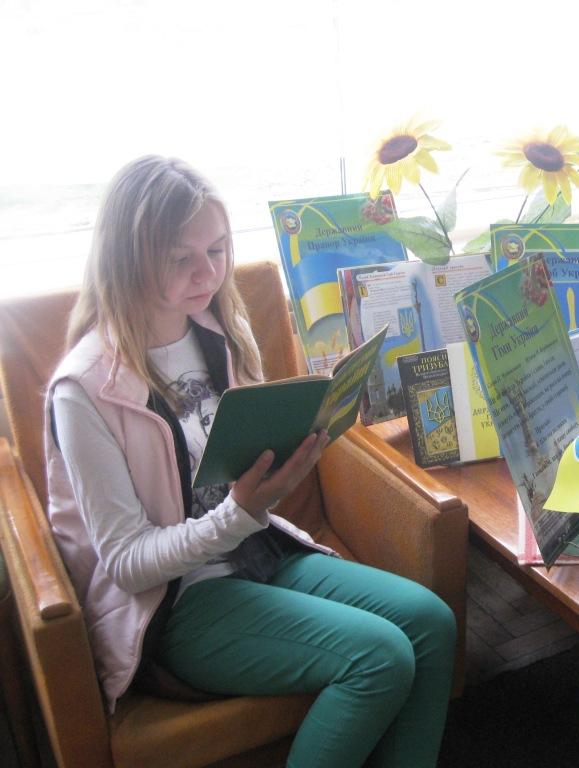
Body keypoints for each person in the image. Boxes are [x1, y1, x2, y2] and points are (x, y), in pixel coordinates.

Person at [44, 155, 455, 767]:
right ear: (127, 258)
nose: (206, 272)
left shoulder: (218, 327)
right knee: (380, 656)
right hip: (178, 604)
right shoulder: (84, 390)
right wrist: (239, 511)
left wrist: (299, 443)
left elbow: (246, 469)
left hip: (259, 553)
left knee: (431, 621)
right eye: (179, 257)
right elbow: (128, 565)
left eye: (216, 249)